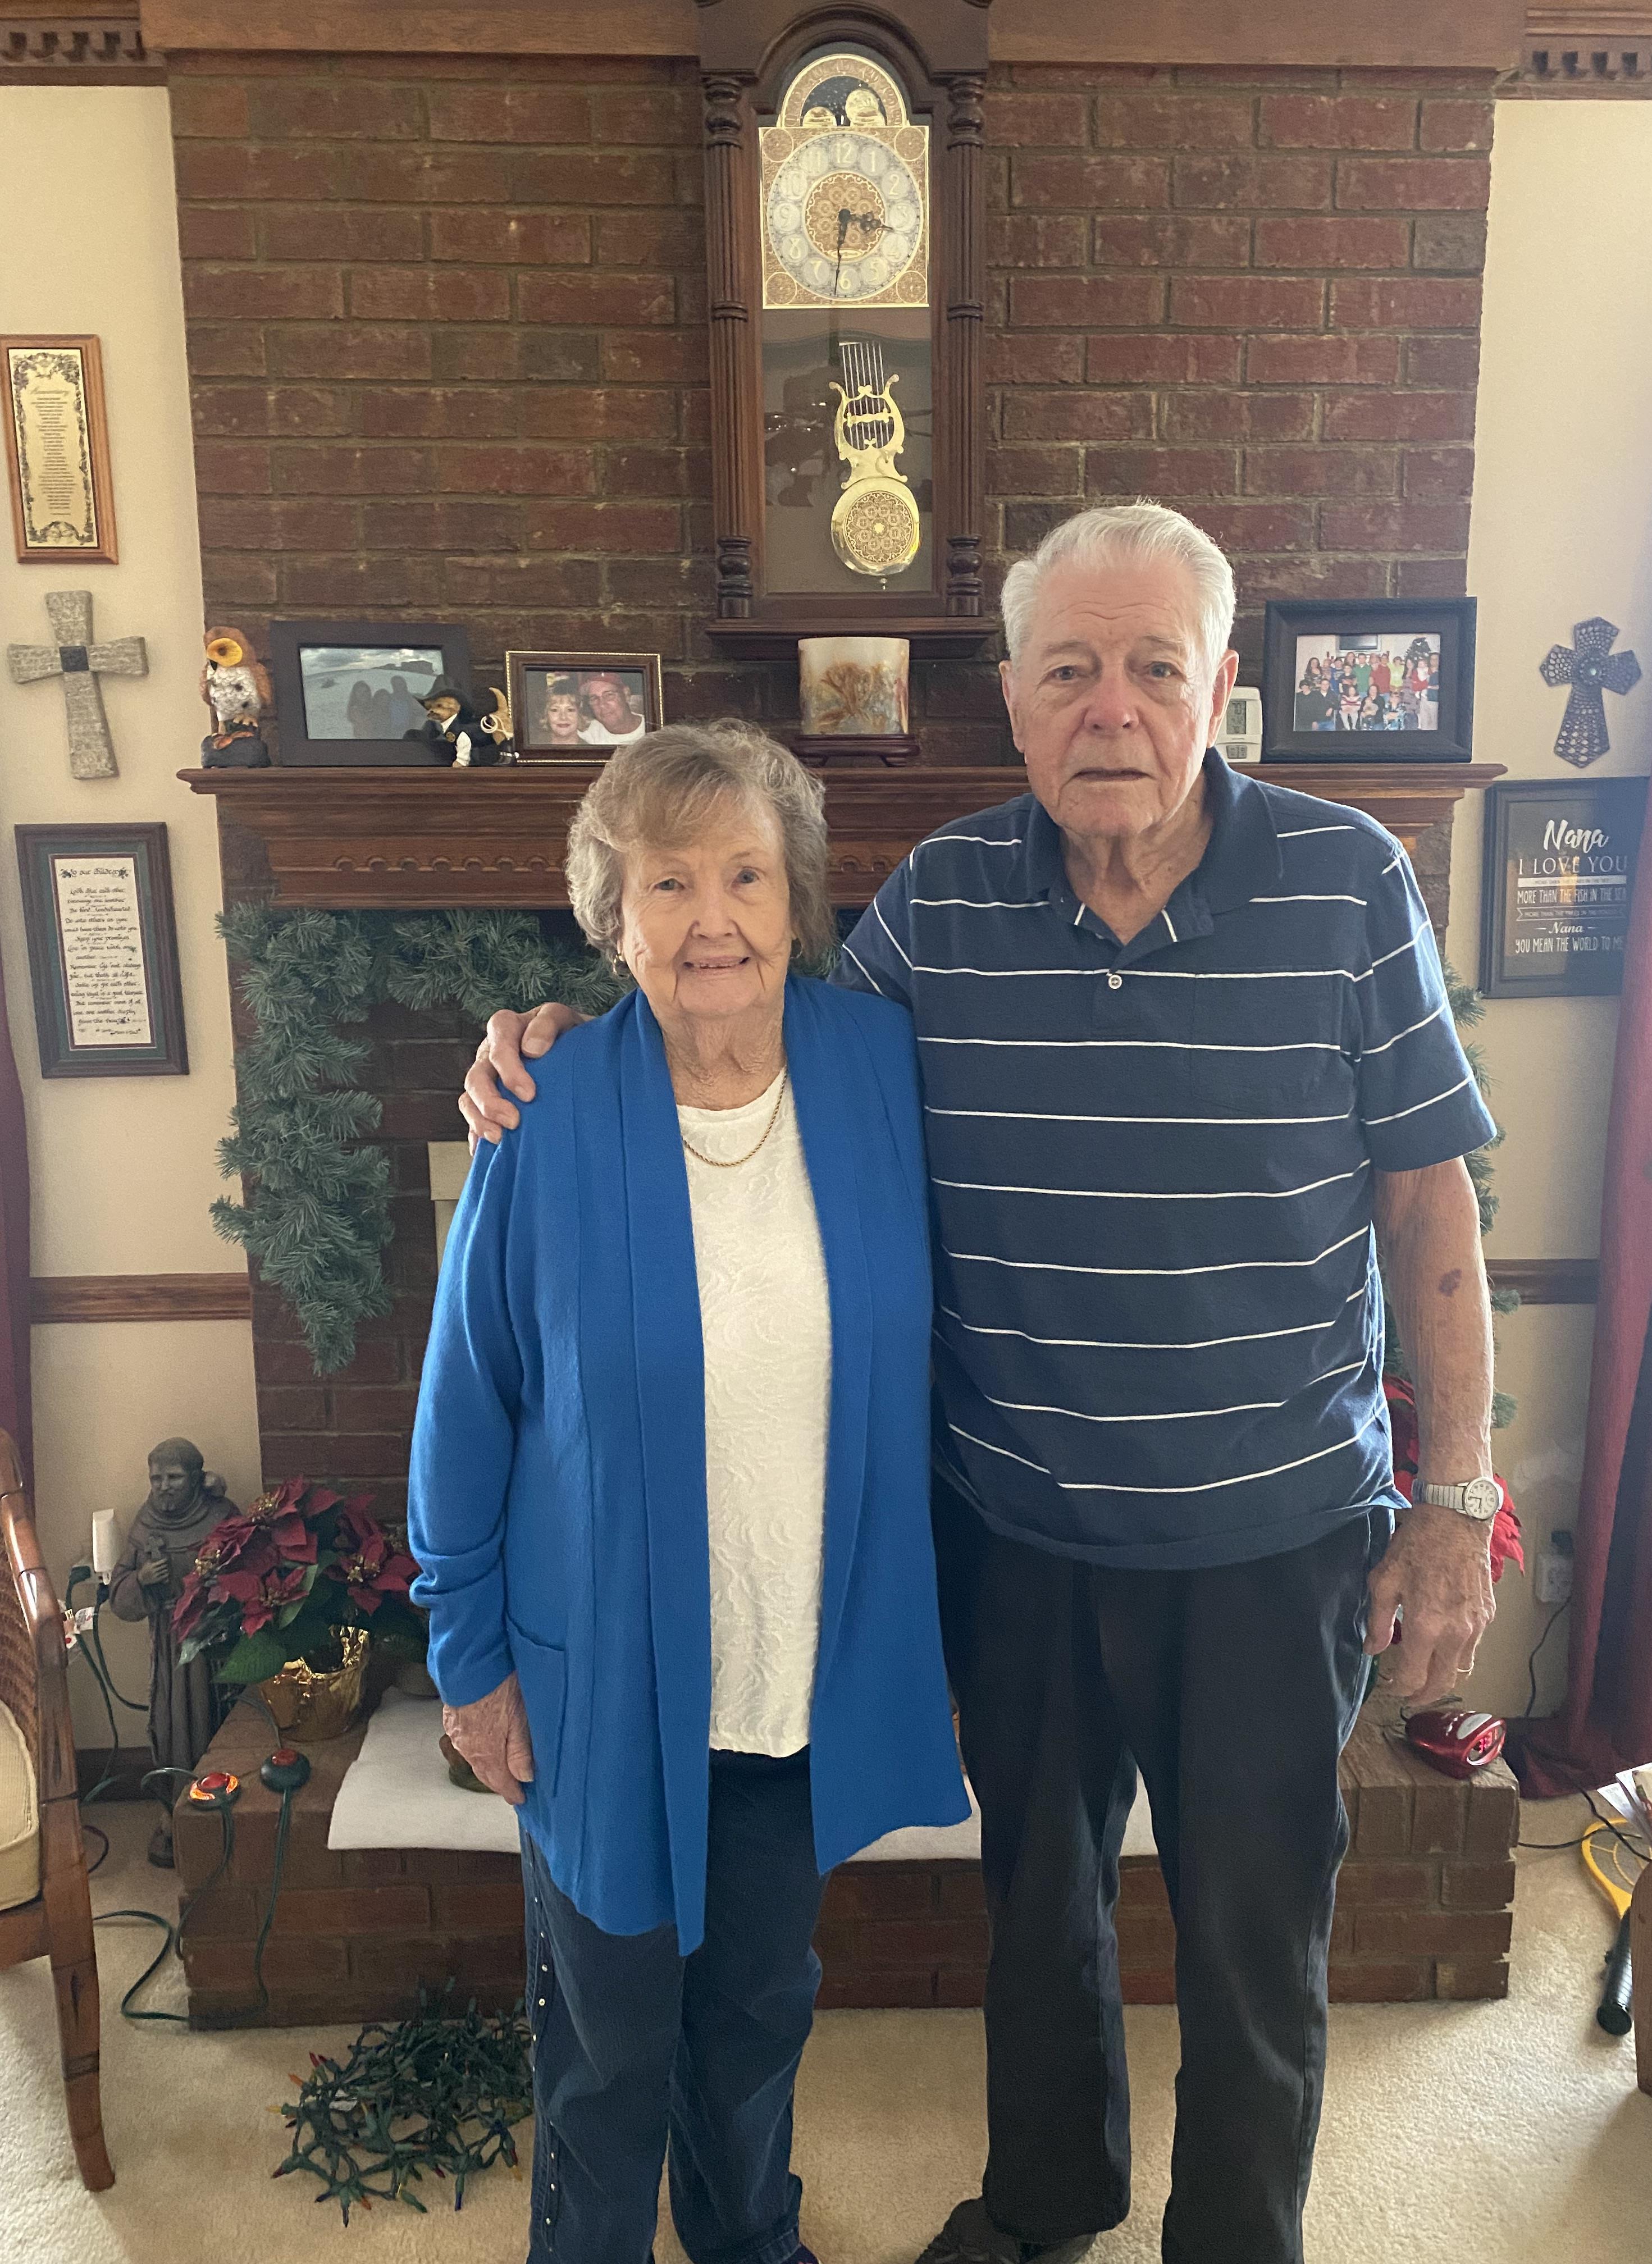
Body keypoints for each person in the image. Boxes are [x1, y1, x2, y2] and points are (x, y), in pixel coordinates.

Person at [462, 504, 1500, 2264]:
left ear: (1219, 688)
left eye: (1154, 668)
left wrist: (1456, 1501)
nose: (1113, 708)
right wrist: (562, 1040)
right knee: (1042, 1919)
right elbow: (757, 1041)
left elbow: (1428, 1203)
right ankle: (1044, 2205)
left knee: (1259, 1944)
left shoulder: (1349, 882)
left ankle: (1234, 2243)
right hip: (1016, 1538)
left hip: (1275, 1544)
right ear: (1014, 704)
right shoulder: (941, 906)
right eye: (1070, 670)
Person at [411, 724, 968, 2264]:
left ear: (797, 900)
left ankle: (752, 2246)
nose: (712, 916)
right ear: (614, 914)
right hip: (603, 1690)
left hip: (799, 1669)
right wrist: (469, 1663)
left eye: (745, 874)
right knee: (610, 2054)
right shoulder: (549, 1105)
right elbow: (468, 1401)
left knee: (758, 2025)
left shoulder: (880, 1075)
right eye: (670, 881)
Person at [107, 1438, 232, 1866]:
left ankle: (221, 1807)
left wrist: (216, 1584)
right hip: (169, 1645)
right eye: (156, 1477)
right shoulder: (147, 1524)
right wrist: (141, 1579)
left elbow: (251, 1568)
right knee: (172, 1723)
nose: (163, 1486)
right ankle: (175, 1811)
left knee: (216, 1718)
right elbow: (119, 1595)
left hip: (216, 1643)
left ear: (197, 1478)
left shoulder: (221, 1516)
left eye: (174, 1477)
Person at [578, 670, 647, 746]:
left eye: (609, 695)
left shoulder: (653, 729)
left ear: (626, 694)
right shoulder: (588, 734)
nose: (602, 705)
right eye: (594, 699)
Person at [535, 673, 586, 748]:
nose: (563, 717)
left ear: (580, 714)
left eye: (570, 710)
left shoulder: (595, 754)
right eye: (555, 710)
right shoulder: (534, 748)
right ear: (546, 715)